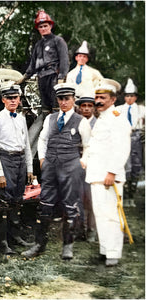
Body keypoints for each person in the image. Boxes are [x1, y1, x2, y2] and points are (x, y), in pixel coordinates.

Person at [21, 83, 91, 260]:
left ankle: (67, 245)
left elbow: (89, 145)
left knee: (70, 204)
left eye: (67, 98)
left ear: (73, 99)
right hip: (51, 166)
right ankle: (39, 244)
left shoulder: (81, 121)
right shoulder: (50, 119)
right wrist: (43, 159)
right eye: (61, 99)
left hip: (70, 165)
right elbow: (43, 140)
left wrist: (82, 162)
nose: (64, 102)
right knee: (45, 204)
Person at [85, 79, 131, 267]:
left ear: (113, 100)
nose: (98, 101)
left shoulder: (117, 117)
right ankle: (105, 250)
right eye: (96, 97)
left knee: (111, 214)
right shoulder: (102, 118)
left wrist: (112, 172)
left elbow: (122, 148)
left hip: (108, 176)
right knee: (100, 214)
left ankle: (113, 253)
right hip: (97, 175)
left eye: (102, 98)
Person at [0, 85, 34, 254]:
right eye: (10, 98)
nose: (13, 101)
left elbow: (27, 144)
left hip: (20, 159)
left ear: (19, 99)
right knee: (5, 201)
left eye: (16, 97)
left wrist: (29, 168)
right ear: (3, 100)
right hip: (5, 159)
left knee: (17, 199)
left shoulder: (21, 118)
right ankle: (3, 242)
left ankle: (16, 236)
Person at [16, 10, 69, 114]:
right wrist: (24, 77)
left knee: (56, 105)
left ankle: (57, 128)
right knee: (45, 107)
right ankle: (46, 126)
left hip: (53, 75)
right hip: (41, 77)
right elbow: (32, 64)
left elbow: (64, 60)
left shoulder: (58, 41)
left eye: (45, 26)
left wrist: (61, 78)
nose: (43, 28)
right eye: (41, 27)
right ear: (38, 29)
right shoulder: (38, 45)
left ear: (50, 26)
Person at [117, 78, 145, 207]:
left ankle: (131, 196)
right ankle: (124, 195)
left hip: (137, 138)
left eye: (132, 96)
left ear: (135, 97)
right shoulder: (118, 110)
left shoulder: (141, 109)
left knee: (136, 166)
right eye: (127, 96)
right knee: (124, 165)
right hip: (123, 137)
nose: (129, 98)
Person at [75, 92, 97, 242]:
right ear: (80, 108)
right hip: (78, 165)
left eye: (90, 106)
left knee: (92, 199)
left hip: (95, 166)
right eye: (84, 106)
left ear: (94, 108)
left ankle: (91, 230)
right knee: (78, 198)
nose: (87, 109)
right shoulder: (76, 123)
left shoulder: (100, 124)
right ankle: (80, 229)